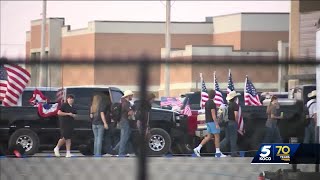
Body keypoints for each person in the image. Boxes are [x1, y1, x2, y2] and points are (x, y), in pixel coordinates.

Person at [193, 90, 227, 157]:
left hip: (208, 121)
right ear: (214, 96)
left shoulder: (207, 103)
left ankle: (198, 148)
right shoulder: (212, 103)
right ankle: (217, 153)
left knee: (209, 136)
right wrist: (216, 124)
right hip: (212, 122)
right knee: (217, 136)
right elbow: (213, 115)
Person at [113, 90, 135, 156]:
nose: (132, 96)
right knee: (124, 138)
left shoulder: (122, 102)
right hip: (125, 121)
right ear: (128, 96)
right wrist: (133, 111)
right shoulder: (126, 103)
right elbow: (130, 112)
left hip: (121, 121)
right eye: (131, 95)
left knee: (124, 137)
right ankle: (121, 153)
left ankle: (114, 150)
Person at [220, 91, 240, 157]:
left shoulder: (228, 105)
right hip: (232, 122)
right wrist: (236, 122)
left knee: (227, 138)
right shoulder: (235, 105)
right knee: (233, 138)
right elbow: (236, 115)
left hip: (227, 123)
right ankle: (234, 153)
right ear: (234, 98)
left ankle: (217, 148)